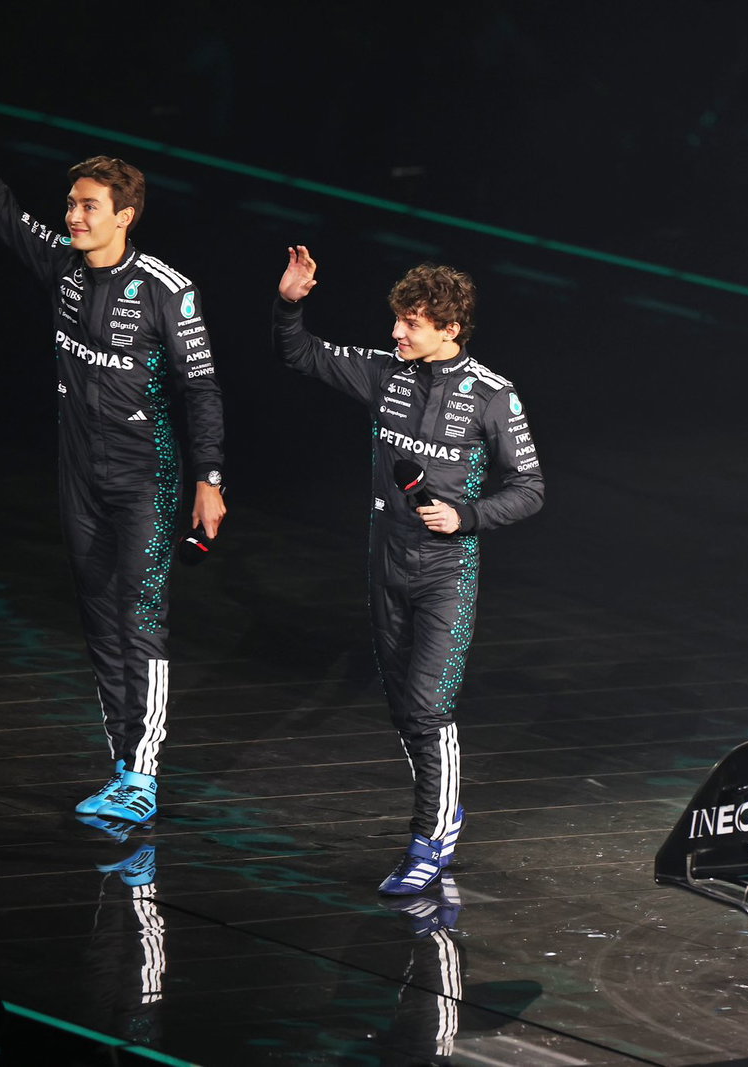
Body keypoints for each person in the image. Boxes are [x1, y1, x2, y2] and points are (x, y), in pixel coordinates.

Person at [0, 57, 226, 820]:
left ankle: (147, 774)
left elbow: (200, 387)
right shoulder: (63, 268)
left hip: (146, 479)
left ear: (124, 215)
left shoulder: (169, 291)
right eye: (70, 203)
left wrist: (211, 478)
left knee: (142, 620)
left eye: (88, 206)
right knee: (100, 621)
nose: (73, 215)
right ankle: (122, 766)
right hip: (78, 476)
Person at [271, 247, 543, 893]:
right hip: (385, 559)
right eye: (398, 319)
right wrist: (289, 303)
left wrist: (467, 516)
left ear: (449, 329)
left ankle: (432, 832)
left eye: (412, 322)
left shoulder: (493, 395)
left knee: (427, 703)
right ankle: (441, 809)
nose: (397, 332)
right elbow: (299, 353)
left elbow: (531, 487)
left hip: (447, 570)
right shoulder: (384, 372)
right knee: (402, 708)